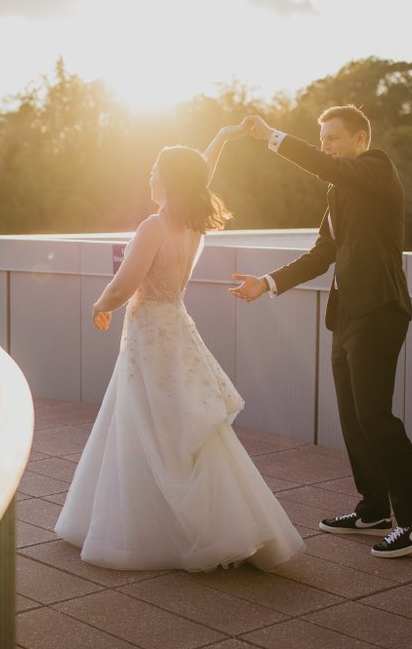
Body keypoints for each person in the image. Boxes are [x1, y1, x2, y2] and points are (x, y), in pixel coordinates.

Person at [54, 127, 303, 572]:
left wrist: (99, 303)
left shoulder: (154, 226)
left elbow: (126, 283)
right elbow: (198, 171)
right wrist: (223, 136)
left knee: (146, 424)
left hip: (150, 334)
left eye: (154, 170)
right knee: (185, 427)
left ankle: (153, 532)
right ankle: (223, 525)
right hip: (178, 329)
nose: (149, 176)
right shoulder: (191, 223)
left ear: (166, 179)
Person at [228, 106, 412, 558]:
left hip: (380, 310)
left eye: (334, 138)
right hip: (347, 314)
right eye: (322, 138)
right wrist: (267, 282)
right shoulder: (338, 192)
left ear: (361, 140)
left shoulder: (376, 169)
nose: (326, 145)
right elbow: (321, 254)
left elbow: (325, 166)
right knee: (353, 416)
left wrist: (272, 136)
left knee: (376, 416)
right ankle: (374, 510)